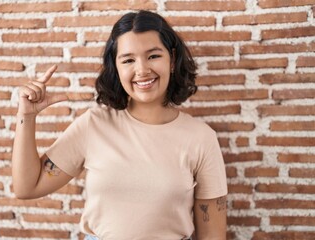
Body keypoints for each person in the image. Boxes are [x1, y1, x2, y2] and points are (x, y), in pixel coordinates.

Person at [12, 10, 228, 240]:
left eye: (153, 56)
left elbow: (212, 236)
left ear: (172, 60)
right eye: (128, 60)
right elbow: (27, 187)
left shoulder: (201, 138)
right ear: (116, 67)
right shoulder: (93, 125)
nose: (142, 70)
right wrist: (26, 116)